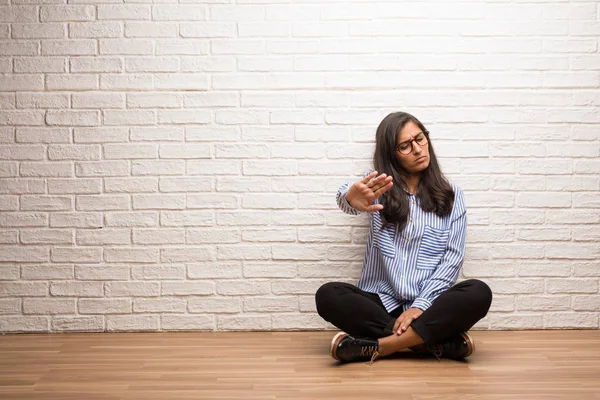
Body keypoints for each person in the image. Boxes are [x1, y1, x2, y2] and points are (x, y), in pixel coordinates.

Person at [315, 111, 493, 364]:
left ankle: (380, 346)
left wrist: (420, 305)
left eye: (420, 139)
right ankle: (434, 343)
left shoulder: (452, 194)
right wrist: (350, 199)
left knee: (478, 292)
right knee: (328, 295)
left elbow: (453, 259)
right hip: (380, 302)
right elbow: (348, 197)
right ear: (391, 153)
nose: (418, 149)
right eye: (405, 146)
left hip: (429, 303)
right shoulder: (377, 187)